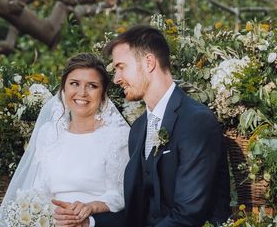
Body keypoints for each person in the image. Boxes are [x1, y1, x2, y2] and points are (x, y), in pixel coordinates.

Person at [54, 25, 231, 227]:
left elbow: (189, 215)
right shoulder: (139, 129)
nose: (117, 79)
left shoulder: (196, 121)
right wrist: (90, 223)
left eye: (121, 67)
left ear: (148, 62)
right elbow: (136, 214)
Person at [0, 53, 130, 227]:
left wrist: (89, 208)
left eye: (92, 86)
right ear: (64, 88)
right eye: (74, 84)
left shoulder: (117, 136)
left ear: (103, 93)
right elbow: (39, 190)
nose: (82, 93)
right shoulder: (49, 134)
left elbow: (121, 194)